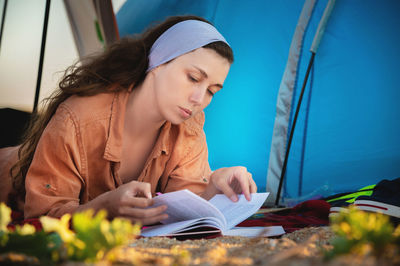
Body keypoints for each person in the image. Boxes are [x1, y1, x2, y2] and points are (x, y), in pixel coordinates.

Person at [0, 15, 257, 225]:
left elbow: (182, 205)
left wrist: (214, 185)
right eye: (192, 78)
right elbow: (42, 216)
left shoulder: (189, 128)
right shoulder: (78, 117)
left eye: (212, 90)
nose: (199, 98)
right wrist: (102, 208)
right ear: (159, 61)